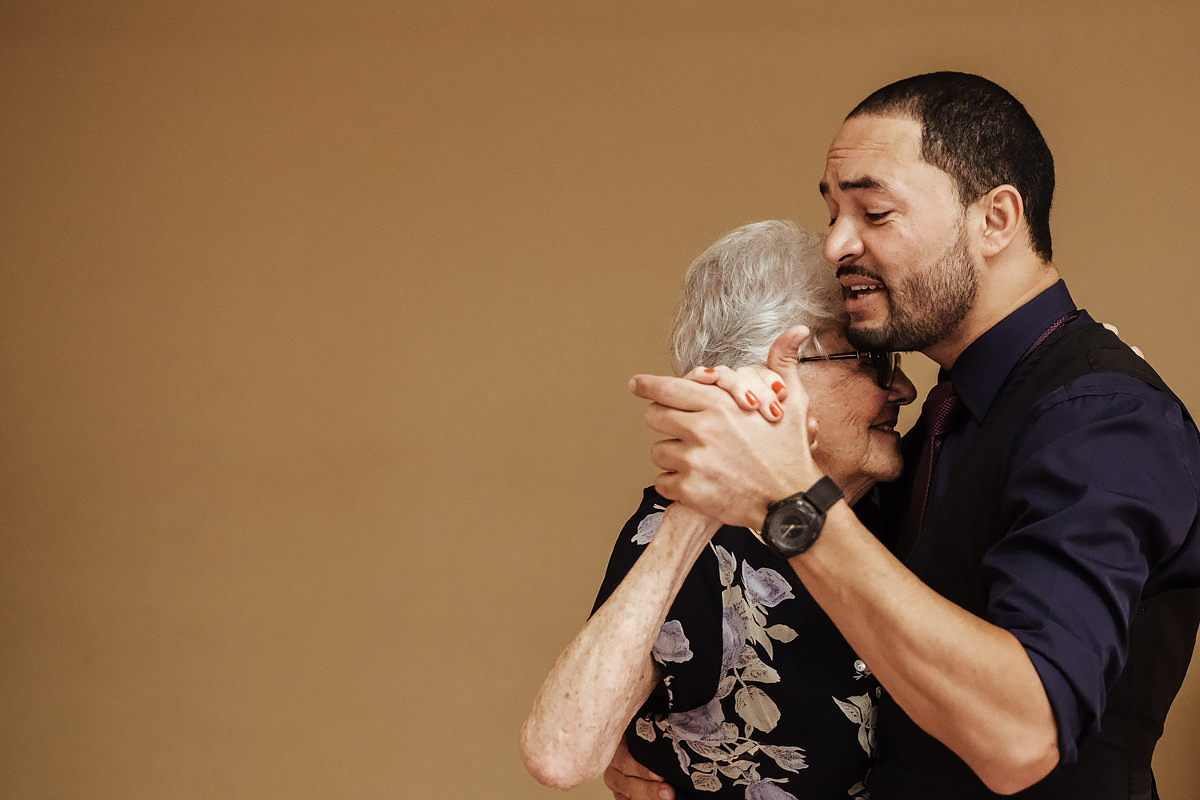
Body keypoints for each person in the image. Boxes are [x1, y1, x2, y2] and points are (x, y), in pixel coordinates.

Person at [618, 72, 1200, 799]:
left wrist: (791, 499)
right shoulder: (942, 414)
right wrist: (675, 747)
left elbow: (1021, 738)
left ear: (995, 219)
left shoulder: (1101, 417)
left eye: (875, 212)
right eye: (831, 211)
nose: (835, 244)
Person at [520, 220, 916, 798]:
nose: (902, 389)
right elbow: (559, 755)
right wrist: (703, 496)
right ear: (772, 386)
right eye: (871, 363)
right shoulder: (693, 541)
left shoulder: (914, 488)